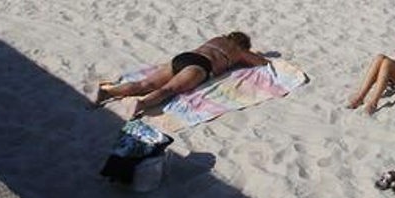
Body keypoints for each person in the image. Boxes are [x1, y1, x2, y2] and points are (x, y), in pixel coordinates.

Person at [91, 32, 266, 116]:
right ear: (243, 44)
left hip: (184, 57)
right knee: (169, 89)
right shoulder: (240, 51)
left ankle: (108, 91)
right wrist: (250, 55)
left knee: (145, 84)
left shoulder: (217, 39)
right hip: (199, 66)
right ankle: (142, 103)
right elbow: (261, 63)